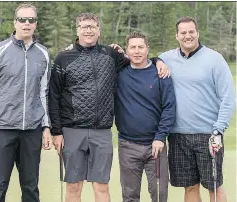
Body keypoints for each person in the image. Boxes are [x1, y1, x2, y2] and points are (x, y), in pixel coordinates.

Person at [49, 13, 169, 202]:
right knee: (73, 186)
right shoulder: (63, 57)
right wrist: (56, 132)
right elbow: (54, 96)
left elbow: (137, 60)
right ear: (77, 30)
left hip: (102, 131)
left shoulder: (110, 54)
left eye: (92, 26)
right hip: (72, 130)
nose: (88, 30)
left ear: (99, 30)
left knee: (102, 186)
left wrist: (157, 60)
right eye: (84, 26)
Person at [0, 3, 52, 202]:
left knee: (31, 186)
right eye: (22, 20)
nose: (26, 24)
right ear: (15, 23)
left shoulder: (43, 54)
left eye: (31, 20)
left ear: (36, 24)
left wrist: (46, 126)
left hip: (31, 130)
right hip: (2, 129)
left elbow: (44, 93)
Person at [158, 16, 235, 202]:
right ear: (177, 36)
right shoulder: (166, 58)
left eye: (191, 32)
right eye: (183, 33)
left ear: (197, 33)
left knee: (213, 186)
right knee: (190, 186)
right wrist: (157, 61)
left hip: (208, 134)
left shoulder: (214, 59)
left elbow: (228, 98)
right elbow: (143, 59)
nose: (187, 36)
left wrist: (218, 130)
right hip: (178, 135)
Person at [115, 31, 176, 202]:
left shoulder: (161, 74)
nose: (137, 51)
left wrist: (160, 137)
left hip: (156, 146)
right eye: (132, 47)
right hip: (127, 145)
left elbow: (169, 108)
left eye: (141, 47)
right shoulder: (120, 73)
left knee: (159, 194)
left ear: (147, 49)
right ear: (126, 51)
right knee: (129, 196)